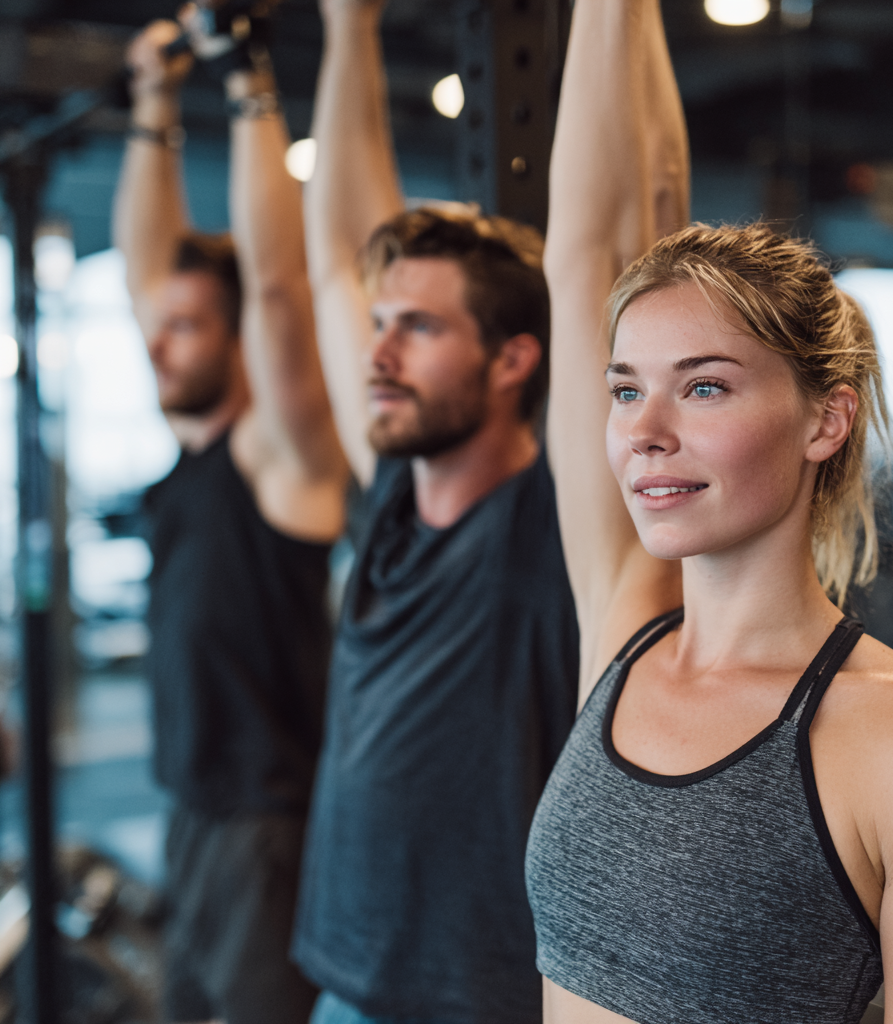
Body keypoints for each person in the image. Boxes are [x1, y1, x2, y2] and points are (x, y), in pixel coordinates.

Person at [525, 1, 893, 1022]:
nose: (643, 430)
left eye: (702, 386)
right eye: (625, 389)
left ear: (823, 420)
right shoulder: (625, 631)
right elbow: (579, 259)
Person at [290, 1, 579, 1022]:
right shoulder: (390, 506)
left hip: (474, 1003)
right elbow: (335, 257)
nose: (377, 354)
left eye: (416, 327)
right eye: (379, 325)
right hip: (341, 981)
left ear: (512, 360)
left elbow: (597, 240)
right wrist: (348, 30)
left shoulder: (545, 529)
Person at [113, 16, 347, 1024]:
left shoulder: (280, 455)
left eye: (186, 328)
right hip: (193, 816)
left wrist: (249, 79)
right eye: (155, 328)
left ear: (239, 339)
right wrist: (154, 104)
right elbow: (144, 267)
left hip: (268, 827)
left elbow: (282, 286)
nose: (156, 347)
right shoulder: (194, 452)